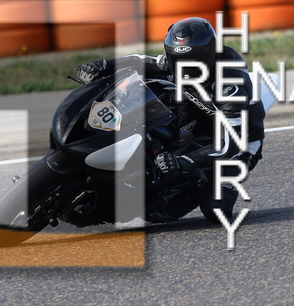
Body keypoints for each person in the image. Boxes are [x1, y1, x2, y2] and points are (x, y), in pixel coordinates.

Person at [76, 17, 266, 223]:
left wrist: (184, 162)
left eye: (192, 62)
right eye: (177, 59)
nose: (184, 67)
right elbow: (138, 61)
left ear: (209, 54)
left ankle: (198, 184)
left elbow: (231, 144)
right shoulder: (174, 62)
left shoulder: (230, 85)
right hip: (199, 119)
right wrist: (103, 65)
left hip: (238, 143)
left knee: (215, 210)